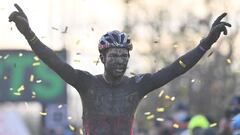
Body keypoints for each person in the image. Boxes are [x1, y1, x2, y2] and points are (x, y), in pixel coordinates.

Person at [9, 4, 231, 135]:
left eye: (124, 56)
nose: (120, 61)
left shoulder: (137, 85)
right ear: (102, 57)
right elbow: (54, 62)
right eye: (114, 55)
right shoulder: (87, 83)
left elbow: (176, 69)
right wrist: (29, 33)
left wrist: (206, 43)